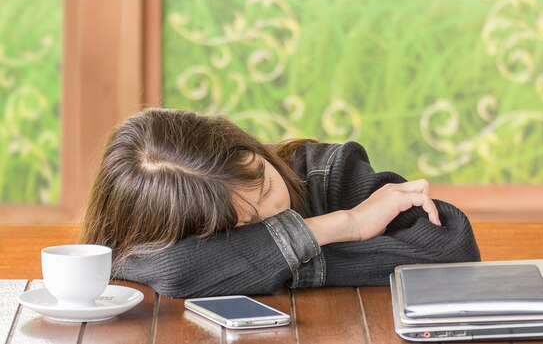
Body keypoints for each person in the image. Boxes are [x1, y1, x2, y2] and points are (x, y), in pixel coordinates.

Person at [80, 108, 480, 298]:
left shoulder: (327, 172)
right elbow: (150, 263)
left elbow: (453, 252)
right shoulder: (150, 240)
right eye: (247, 225)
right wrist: (344, 227)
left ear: (247, 146)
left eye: (267, 187)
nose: (278, 213)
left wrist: (268, 264)